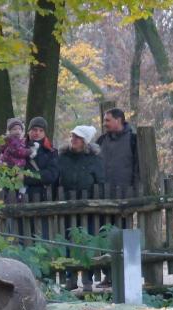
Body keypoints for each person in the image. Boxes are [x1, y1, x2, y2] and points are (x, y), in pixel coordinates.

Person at [58, 125, 105, 294]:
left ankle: (87, 278)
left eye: (77, 137)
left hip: (89, 209)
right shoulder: (62, 157)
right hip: (68, 208)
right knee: (69, 242)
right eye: (72, 136)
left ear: (85, 141)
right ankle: (70, 278)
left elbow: (100, 180)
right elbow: (57, 178)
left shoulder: (94, 159)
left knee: (87, 243)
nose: (73, 139)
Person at [96, 107, 138, 192]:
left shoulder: (133, 140)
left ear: (118, 120)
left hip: (127, 194)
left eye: (107, 120)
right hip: (104, 194)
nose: (104, 124)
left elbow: (138, 169)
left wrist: (135, 189)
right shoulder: (101, 140)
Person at [22, 116, 59, 202]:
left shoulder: (51, 152)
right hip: (20, 198)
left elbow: (50, 175)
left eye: (41, 130)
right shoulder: (19, 150)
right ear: (29, 131)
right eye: (34, 129)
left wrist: (25, 177)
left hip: (43, 198)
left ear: (44, 133)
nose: (37, 133)